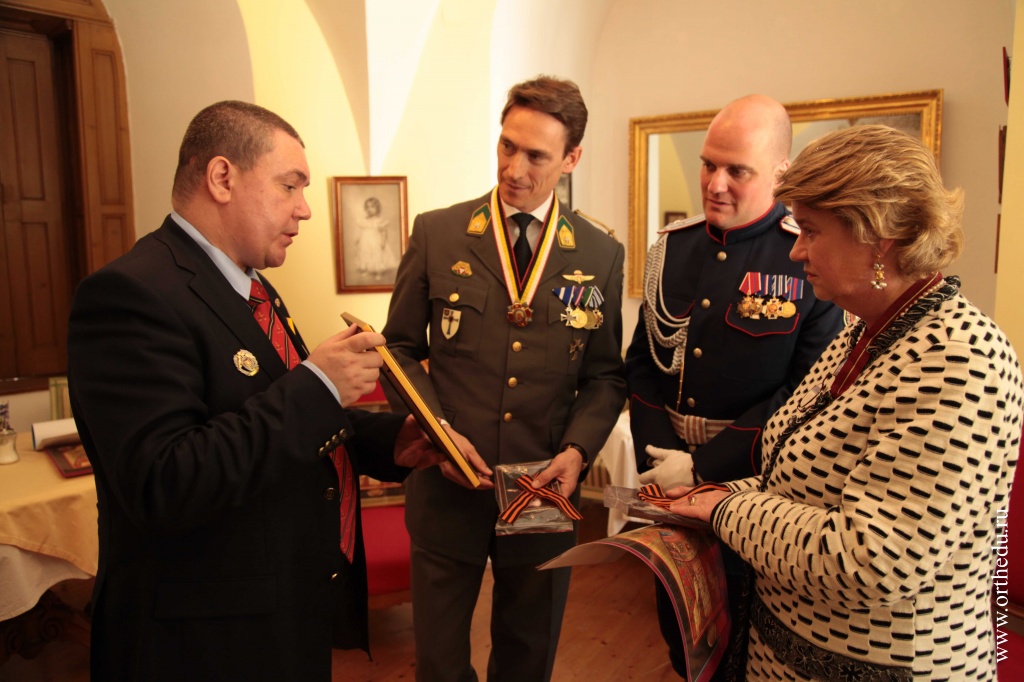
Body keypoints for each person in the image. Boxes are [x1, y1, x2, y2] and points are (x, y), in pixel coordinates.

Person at [66, 100, 451, 682]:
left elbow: (261, 415)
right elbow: (164, 481)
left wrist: (390, 439)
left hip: (276, 615)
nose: (305, 209)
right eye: (289, 186)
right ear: (222, 178)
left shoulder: (252, 287)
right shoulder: (131, 293)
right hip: (199, 641)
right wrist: (319, 385)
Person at [668, 124, 1023, 681]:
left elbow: (874, 562)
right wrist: (712, 494)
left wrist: (723, 511)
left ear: (879, 237)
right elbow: (799, 481)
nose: (796, 249)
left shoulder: (960, 358)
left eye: (810, 230)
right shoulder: (865, 331)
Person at [382, 75, 627, 681]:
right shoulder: (438, 233)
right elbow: (400, 351)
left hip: (541, 490)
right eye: (506, 146)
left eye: (536, 155)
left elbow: (604, 377)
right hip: (448, 489)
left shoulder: (599, 254)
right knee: (439, 663)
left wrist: (577, 452)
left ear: (570, 159)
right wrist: (437, 431)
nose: (515, 169)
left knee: (527, 658)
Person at [624, 94, 845, 678]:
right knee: (684, 638)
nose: (715, 184)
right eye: (708, 164)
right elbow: (643, 362)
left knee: (745, 647)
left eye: (737, 171)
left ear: (781, 174)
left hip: (756, 488)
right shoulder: (673, 247)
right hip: (668, 482)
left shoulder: (806, 254)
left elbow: (805, 392)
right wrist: (659, 460)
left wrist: (701, 466)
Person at [354, 195, 398, 280]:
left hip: (375, 241)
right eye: (367, 207)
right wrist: (358, 239)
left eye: (372, 207)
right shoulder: (364, 220)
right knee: (366, 254)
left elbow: (384, 231)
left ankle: (378, 272)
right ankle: (369, 270)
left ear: (377, 208)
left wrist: (383, 241)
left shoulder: (379, 220)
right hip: (365, 241)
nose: (369, 209)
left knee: (377, 255)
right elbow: (363, 231)